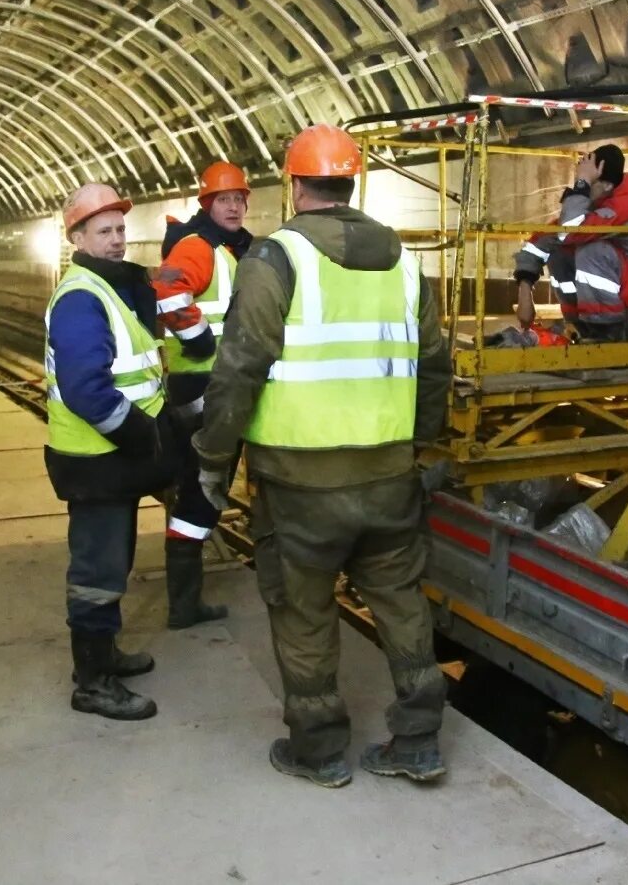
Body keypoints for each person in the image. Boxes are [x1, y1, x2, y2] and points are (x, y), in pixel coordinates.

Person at [195, 124, 453, 789]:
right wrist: (419, 443)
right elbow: (433, 365)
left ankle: (320, 751)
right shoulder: (404, 260)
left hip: (299, 484)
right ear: (352, 183)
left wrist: (213, 459)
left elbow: (239, 368)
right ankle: (419, 740)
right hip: (391, 475)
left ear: (294, 184)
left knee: (304, 613)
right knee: (401, 603)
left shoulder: (275, 259)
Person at [43, 182, 181, 721]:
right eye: (104, 231)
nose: (118, 240)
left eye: (121, 230)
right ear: (77, 237)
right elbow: (85, 390)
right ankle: (92, 683)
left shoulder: (109, 287)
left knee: (114, 560)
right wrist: (142, 435)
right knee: (97, 570)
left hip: (110, 461)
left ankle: (105, 656)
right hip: (96, 459)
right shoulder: (81, 298)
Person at [151, 161, 254, 629]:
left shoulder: (227, 248)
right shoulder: (199, 247)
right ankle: (184, 604)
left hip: (214, 387)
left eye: (239, 199)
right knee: (202, 491)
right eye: (224, 199)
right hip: (202, 388)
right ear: (207, 204)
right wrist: (199, 340)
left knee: (202, 489)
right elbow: (168, 289)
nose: (234, 206)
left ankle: (184, 601)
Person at [512, 144, 628, 341]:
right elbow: (549, 236)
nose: (583, 188)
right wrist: (525, 287)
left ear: (607, 185)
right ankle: (580, 326)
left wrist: (583, 184)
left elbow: (571, 232)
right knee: (559, 254)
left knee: (592, 251)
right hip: (626, 306)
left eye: (590, 182)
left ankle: (604, 333)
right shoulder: (600, 201)